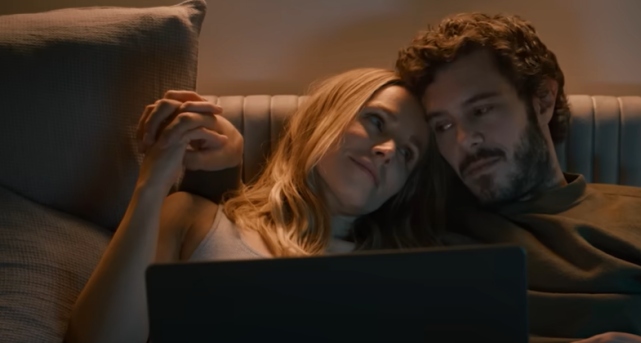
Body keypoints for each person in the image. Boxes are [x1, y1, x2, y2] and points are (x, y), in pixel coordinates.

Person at [179, 13, 641, 343]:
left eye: (481, 110)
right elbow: (270, 236)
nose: (463, 140)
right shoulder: (410, 220)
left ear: (542, 99)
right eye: (442, 126)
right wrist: (217, 172)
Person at [64, 68, 446, 343]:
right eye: (376, 121)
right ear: (322, 119)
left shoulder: (406, 275)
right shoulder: (194, 219)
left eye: (408, 153)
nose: (388, 150)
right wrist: (154, 181)